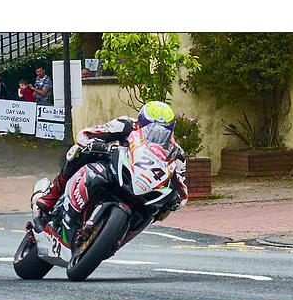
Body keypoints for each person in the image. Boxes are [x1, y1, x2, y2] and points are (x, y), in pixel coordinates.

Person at [35, 101, 188, 241]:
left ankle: (117, 239)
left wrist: (177, 199)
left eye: (163, 131)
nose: (157, 134)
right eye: (151, 128)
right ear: (141, 122)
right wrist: (95, 144)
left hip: (142, 184)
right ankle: (51, 195)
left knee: (157, 210)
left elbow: (181, 185)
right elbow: (86, 135)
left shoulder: (177, 153)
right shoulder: (126, 125)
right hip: (113, 167)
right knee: (78, 152)